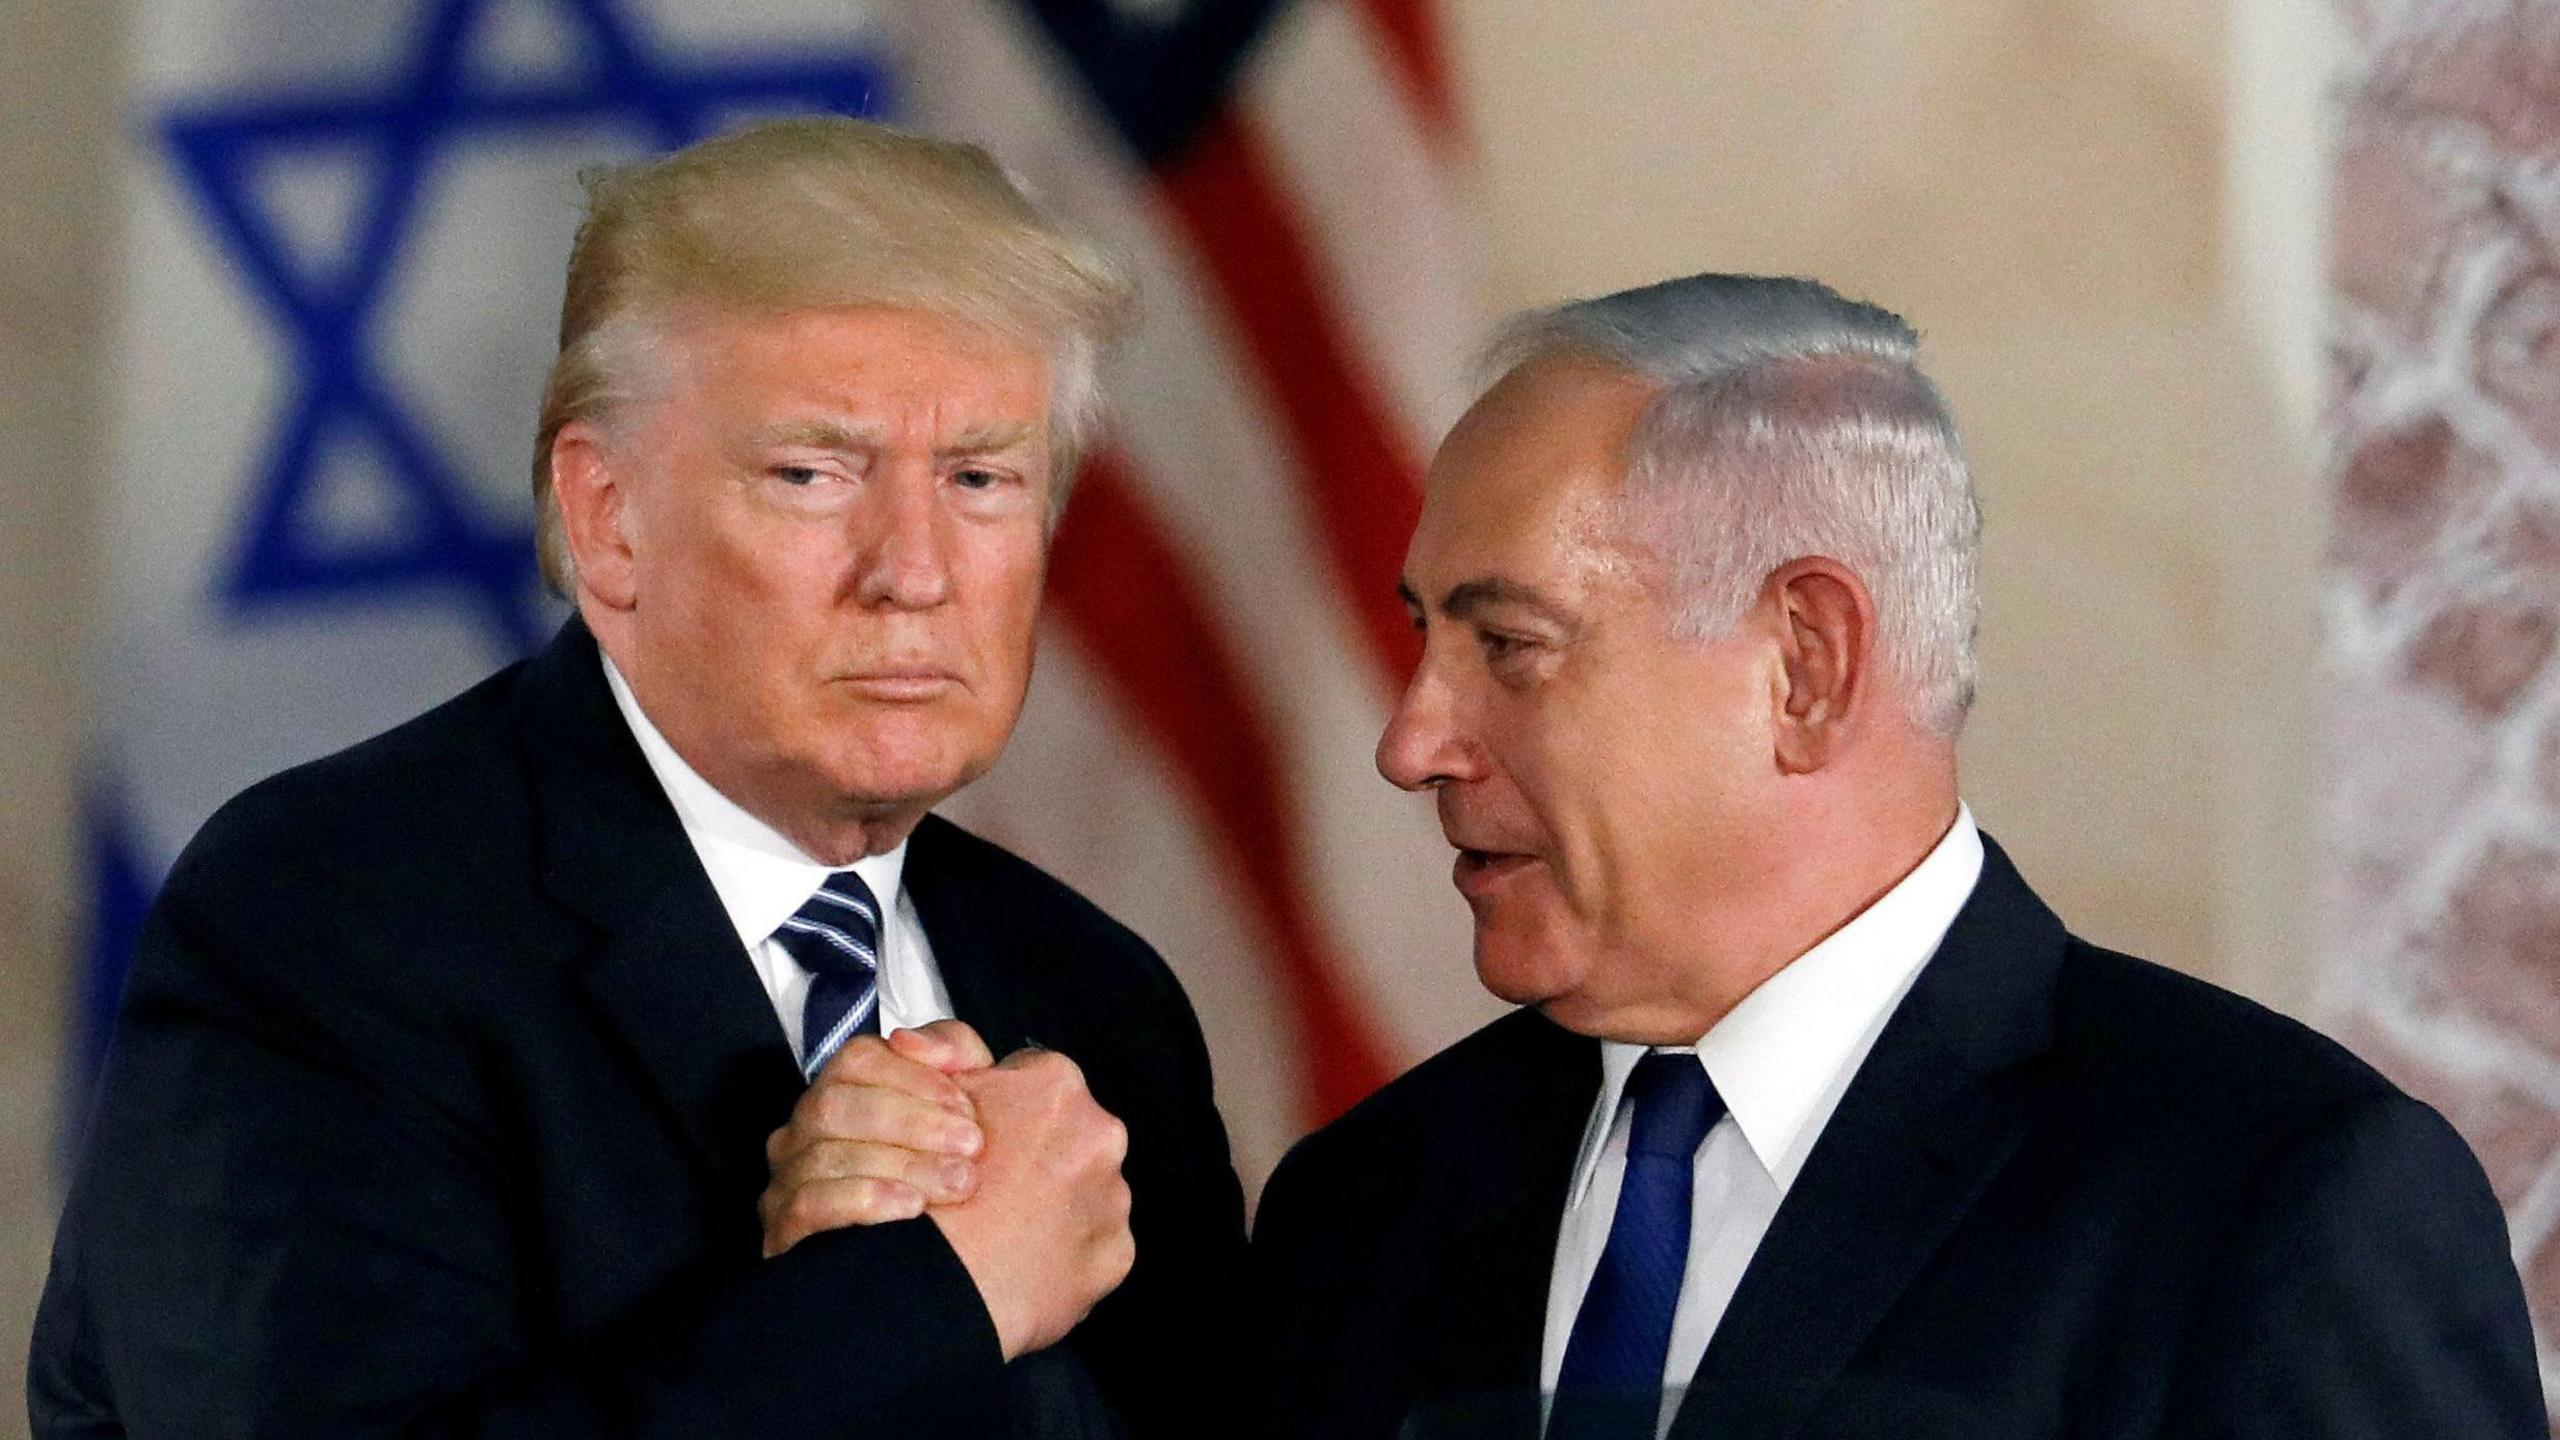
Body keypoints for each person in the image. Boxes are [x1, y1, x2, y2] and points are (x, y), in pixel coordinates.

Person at [30, 118, 1244, 1440]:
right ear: (608, 520)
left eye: (980, 479)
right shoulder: (328, 922)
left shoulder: (1097, 999)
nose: (915, 569)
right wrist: (921, 1299)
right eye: (811, 473)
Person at [1246, 274, 2544, 1438]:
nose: (1411, 743)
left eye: (1510, 646)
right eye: (1423, 639)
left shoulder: (2273, 1203)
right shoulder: (1358, 1210)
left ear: (1807, 666)